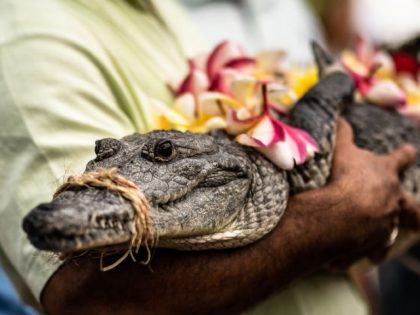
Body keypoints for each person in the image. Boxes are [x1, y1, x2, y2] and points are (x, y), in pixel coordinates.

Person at [0, 0, 419, 314]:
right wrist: (331, 221)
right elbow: (93, 300)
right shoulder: (23, 41)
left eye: (162, 155)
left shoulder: (159, 8)